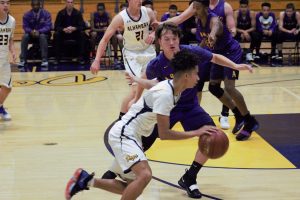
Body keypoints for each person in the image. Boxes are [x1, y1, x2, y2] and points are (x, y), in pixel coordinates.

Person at [65, 50, 218, 200]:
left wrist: (136, 79)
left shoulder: (173, 88)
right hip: (124, 135)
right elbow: (164, 134)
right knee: (145, 175)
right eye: (196, 74)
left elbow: (151, 84)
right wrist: (196, 132)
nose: (198, 78)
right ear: (186, 76)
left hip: (133, 136)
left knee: (133, 185)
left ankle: (86, 180)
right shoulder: (166, 95)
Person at [125, 22, 253, 198]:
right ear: (159, 43)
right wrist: (135, 98)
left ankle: (190, 177)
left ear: (179, 40)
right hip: (167, 108)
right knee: (143, 141)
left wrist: (236, 66)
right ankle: (119, 168)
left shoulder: (190, 52)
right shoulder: (156, 64)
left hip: (191, 106)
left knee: (211, 134)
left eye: (174, 38)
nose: (171, 42)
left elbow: (215, 57)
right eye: (167, 39)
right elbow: (146, 78)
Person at [167, 0, 259, 141]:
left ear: (204, 8)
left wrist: (212, 36)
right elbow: (203, 42)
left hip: (231, 52)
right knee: (213, 87)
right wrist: (194, 56)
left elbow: (215, 29)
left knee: (229, 87)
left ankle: (249, 121)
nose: (194, 11)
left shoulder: (214, 19)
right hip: (217, 54)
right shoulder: (199, 22)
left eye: (196, 8)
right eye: (193, 8)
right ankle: (238, 114)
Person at [90, 0, 157, 120]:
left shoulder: (148, 12)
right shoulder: (120, 18)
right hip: (132, 55)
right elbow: (105, 39)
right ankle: (122, 119)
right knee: (135, 90)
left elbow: (158, 27)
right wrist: (97, 60)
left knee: (158, 86)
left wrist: (153, 34)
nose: (140, 1)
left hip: (148, 52)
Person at [19, 0, 52, 70]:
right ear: (31, 6)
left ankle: (44, 60)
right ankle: (23, 60)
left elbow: (48, 26)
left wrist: (39, 32)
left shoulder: (46, 14)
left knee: (42, 36)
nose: (35, 6)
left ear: (40, 5)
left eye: (37, 5)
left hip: (44, 34)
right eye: (34, 5)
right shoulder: (27, 15)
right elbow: (25, 26)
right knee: (25, 36)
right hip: (32, 34)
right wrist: (31, 31)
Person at [54, 0, 86, 64]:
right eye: (68, 2)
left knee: (82, 34)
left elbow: (82, 26)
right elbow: (56, 26)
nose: (70, 4)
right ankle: (57, 58)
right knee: (56, 34)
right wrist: (63, 29)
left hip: (75, 34)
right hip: (64, 34)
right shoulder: (60, 13)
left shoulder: (78, 13)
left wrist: (74, 28)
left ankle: (81, 58)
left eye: (71, 2)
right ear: (66, 3)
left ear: (73, 3)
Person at [0, 0, 16, 121]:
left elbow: (10, 39)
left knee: (7, 87)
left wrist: (13, 51)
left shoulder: (12, 21)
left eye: (8, 2)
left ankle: (0, 106)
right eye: (2, 2)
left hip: (4, 60)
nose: (5, 5)